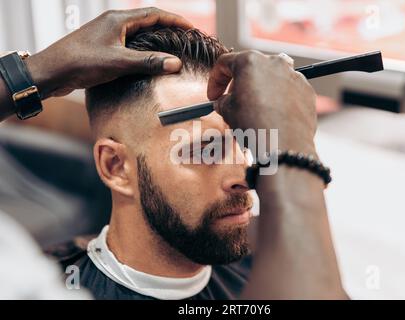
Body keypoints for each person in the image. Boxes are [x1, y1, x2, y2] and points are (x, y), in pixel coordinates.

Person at [0, 7, 346, 300]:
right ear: (116, 166)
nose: (243, 175)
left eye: (245, 141)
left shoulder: (272, 250)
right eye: (206, 150)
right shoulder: (47, 284)